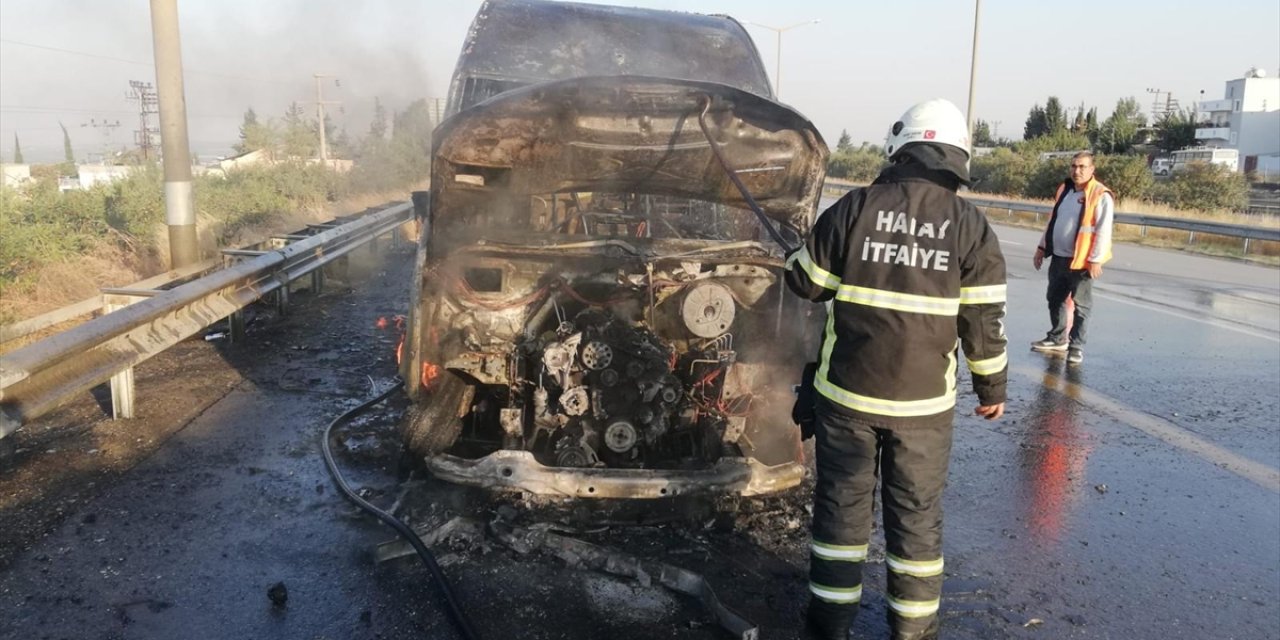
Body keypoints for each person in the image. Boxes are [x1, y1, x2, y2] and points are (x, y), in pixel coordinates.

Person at [785, 98, 1008, 640]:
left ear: (900, 148)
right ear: (956, 158)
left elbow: (805, 283)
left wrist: (796, 253)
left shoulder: (855, 208)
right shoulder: (971, 226)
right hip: (925, 409)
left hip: (847, 400)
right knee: (916, 522)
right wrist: (990, 386)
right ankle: (912, 631)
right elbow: (983, 321)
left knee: (841, 518)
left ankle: (829, 627)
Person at [1030, 151, 1114, 365]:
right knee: (1054, 298)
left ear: (1092, 169)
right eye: (1074, 166)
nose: (1077, 171)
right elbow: (1053, 222)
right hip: (1059, 257)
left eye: (1082, 167)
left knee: (1082, 305)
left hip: (1081, 261)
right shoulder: (1064, 190)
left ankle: (1076, 346)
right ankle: (1058, 337)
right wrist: (1042, 247)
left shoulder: (1100, 194)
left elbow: (1104, 230)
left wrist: (1096, 259)